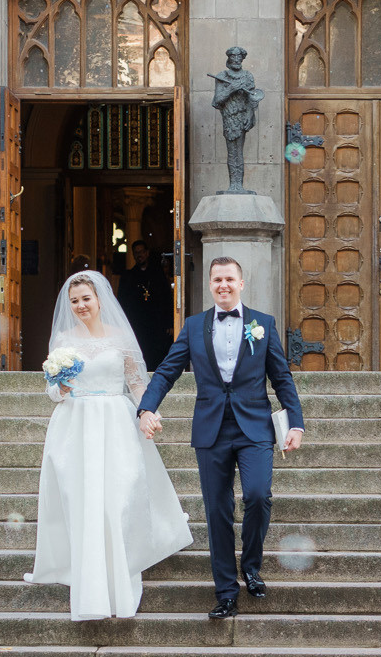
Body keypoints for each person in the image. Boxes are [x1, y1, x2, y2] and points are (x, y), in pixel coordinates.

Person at [136, 257, 305, 621]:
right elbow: (167, 370)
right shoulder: (194, 326)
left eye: (229, 279)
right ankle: (226, 592)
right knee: (217, 510)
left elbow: (281, 377)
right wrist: (146, 408)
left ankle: (252, 566)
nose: (223, 285)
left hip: (254, 427)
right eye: (217, 280)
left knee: (258, 495)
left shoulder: (263, 324)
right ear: (209, 285)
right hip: (211, 428)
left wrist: (296, 423)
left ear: (241, 283)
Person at [26, 271, 192, 620]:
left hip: (116, 422)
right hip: (75, 426)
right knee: (82, 499)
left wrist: (148, 412)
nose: (80, 306)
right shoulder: (63, 340)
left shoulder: (120, 338)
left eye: (86, 298)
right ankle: (89, 575)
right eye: (74, 301)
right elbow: (52, 390)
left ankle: (119, 571)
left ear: (100, 300)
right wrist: (61, 388)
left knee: (119, 496)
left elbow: (136, 383)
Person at [120, 241, 173, 371]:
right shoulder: (128, 276)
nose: (139, 255)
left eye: (142, 252)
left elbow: (167, 298)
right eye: (136, 253)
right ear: (133, 255)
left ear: (147, 253)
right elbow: (123, 303)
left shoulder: (158, 274)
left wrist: (170, 323)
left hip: (157, 325)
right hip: (137, 326)